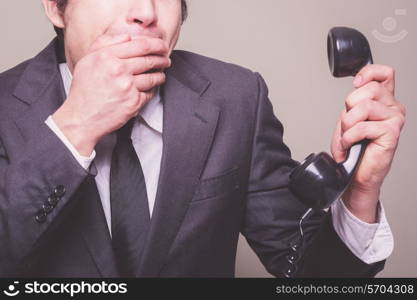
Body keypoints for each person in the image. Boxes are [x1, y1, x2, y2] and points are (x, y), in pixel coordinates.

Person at [0, 0, 405, 277]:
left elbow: (315, 277)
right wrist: (76, 126)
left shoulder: (236, 98)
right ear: (56, 6)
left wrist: (360, 193)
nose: (146, 13)